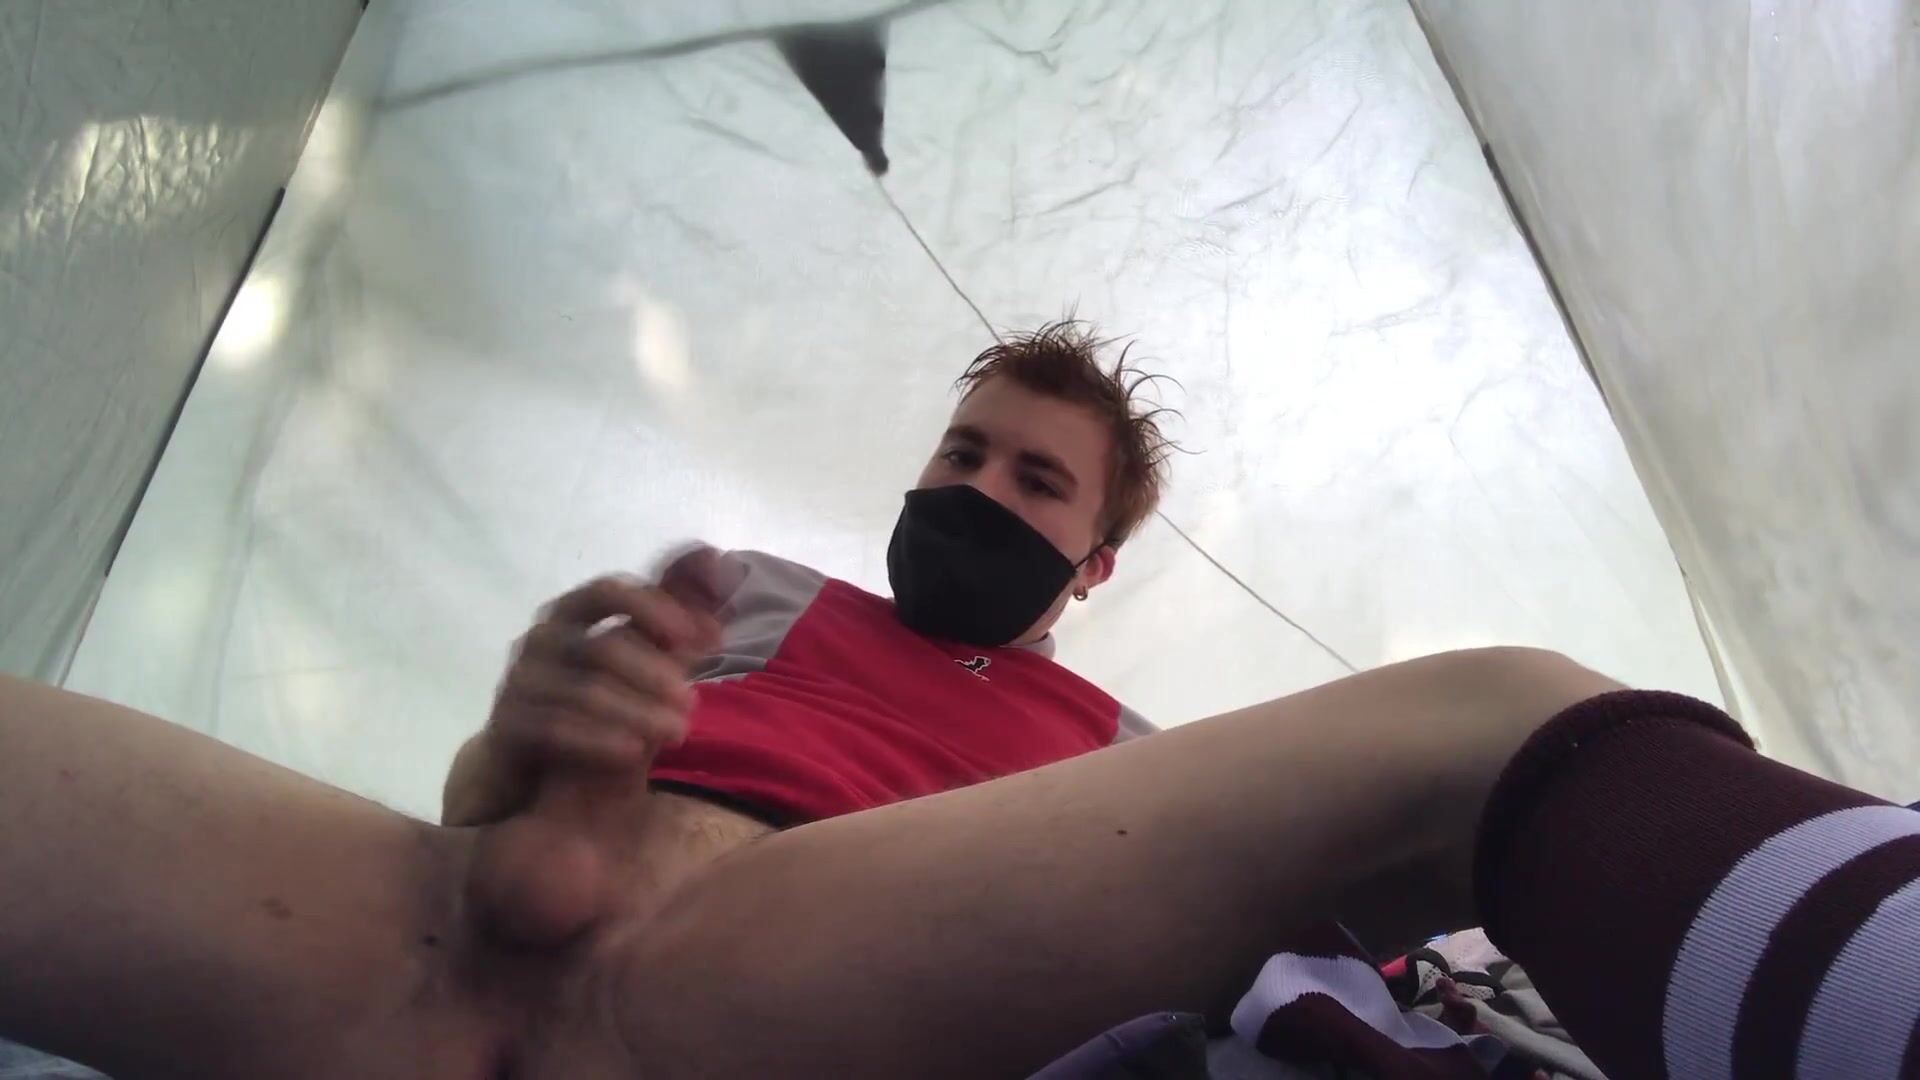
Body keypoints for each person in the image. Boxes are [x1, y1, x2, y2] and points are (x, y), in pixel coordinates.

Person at [3, 325, 1917, 1079]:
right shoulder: (754, 593)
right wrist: (516, 748)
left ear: (1094, 565)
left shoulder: (1116, 759)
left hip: (783, 978)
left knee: (1486, 717)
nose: (976, 490)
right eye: (962, 452)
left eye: (1035, 483)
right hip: (427, 929)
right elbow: (474, 796)